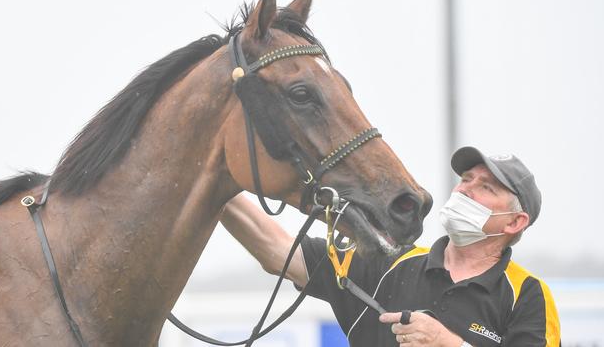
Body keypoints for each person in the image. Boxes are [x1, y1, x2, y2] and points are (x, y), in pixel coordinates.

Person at [221, 146, 561, 346]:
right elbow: (278, 251)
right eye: (465, 180)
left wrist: (448, 343)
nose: (465, 190)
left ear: (515, 222)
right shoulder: (391, 261)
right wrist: (217, 189)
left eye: (485, 186)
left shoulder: (528, 295)